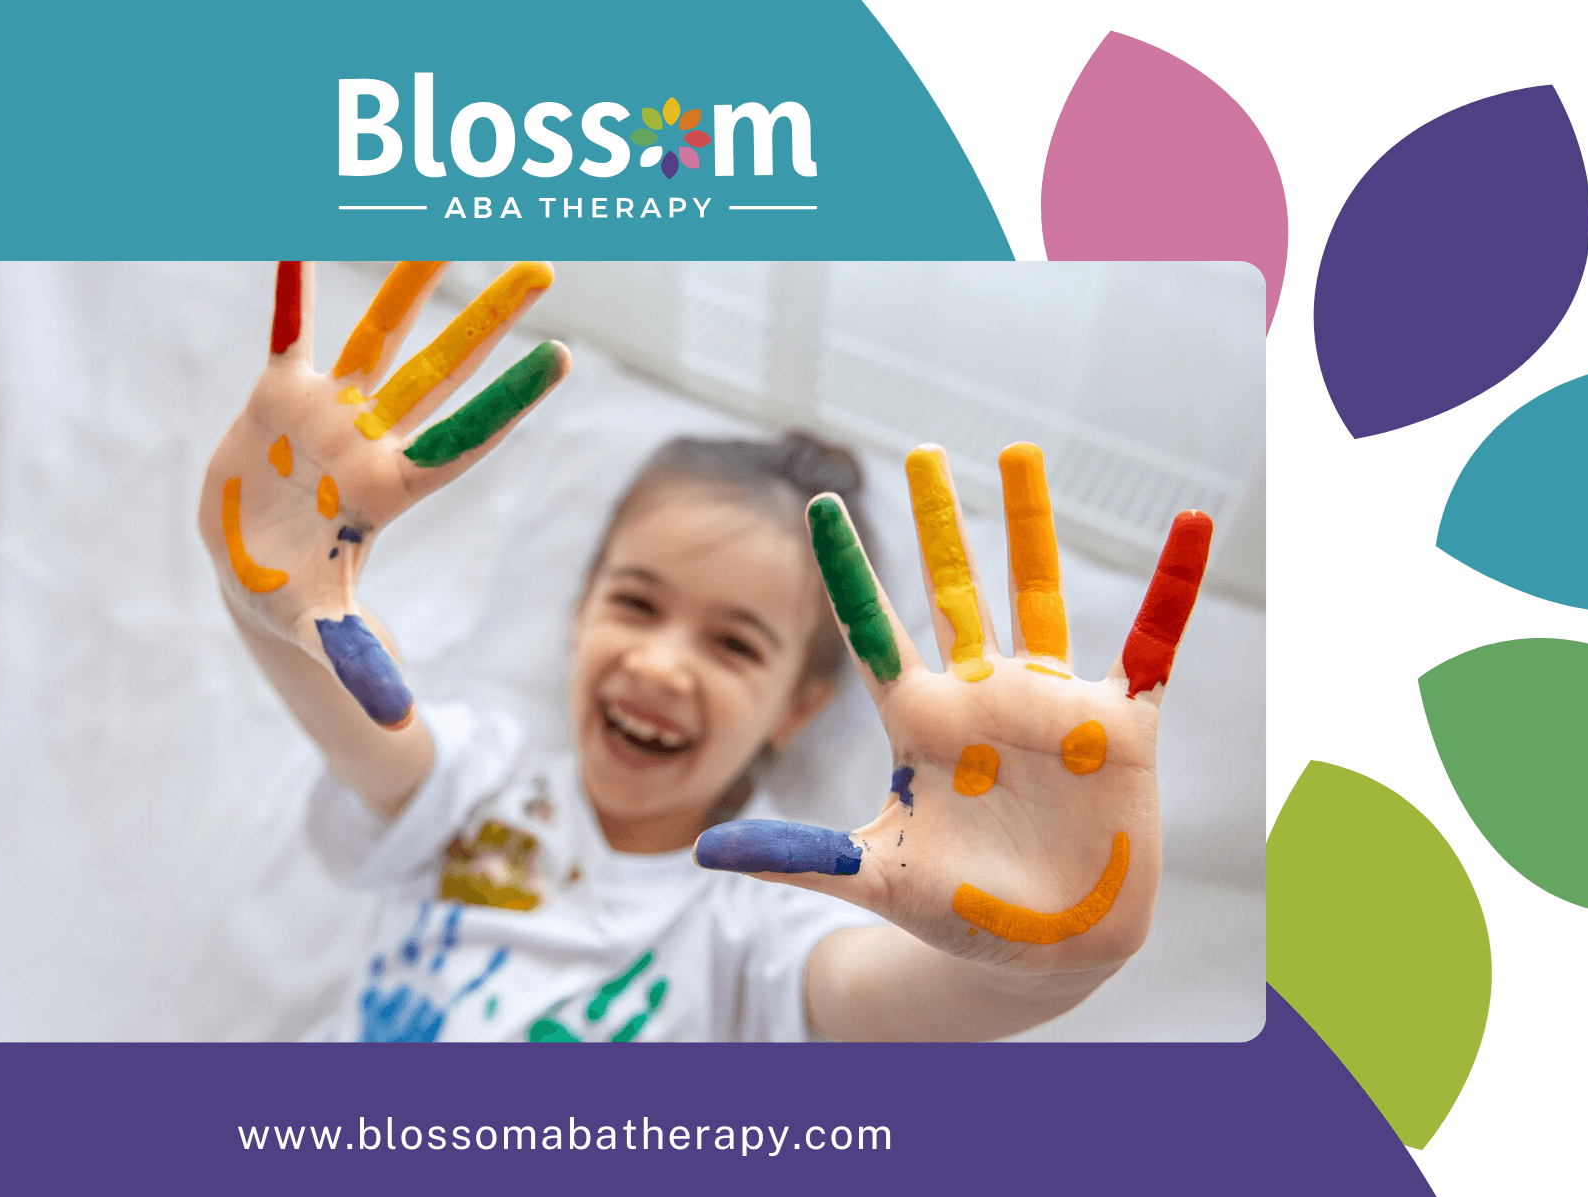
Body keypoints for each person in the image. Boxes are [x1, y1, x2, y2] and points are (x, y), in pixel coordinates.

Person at [199, 261, 1214, 1041]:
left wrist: (1039, 960)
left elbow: (904, 1001)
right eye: (634, 604)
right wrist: (260, 603)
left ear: (797, 705)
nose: (660, 664)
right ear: (577, 614)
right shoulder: (479, 782)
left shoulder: (761, 919)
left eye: (733, 643)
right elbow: (348, 718)